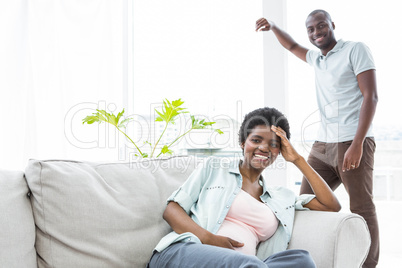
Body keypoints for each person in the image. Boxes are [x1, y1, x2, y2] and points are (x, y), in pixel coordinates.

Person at [256, 9, 379, 268]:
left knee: (362, 208)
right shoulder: (318, 59)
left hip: (352, 141)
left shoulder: (355, 50)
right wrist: (274, 25)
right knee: (305, 203)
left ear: (332, 25)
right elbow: (291, 46)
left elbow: (371, 97)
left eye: (321, 26)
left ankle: (367, 265)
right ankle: (312, 258)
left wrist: (357, 144)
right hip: (323, 144)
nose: (316, 32)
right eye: (310, 29)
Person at [147, 107, 341, 268]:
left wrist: (298, 159)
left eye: (273, 145)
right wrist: (210, 239)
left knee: (302, 261)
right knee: (248, 265)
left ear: (280, 151)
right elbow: (171, 210)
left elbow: (331, 205)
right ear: (243, 143)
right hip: (186, 252)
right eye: (256, 140)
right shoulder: (214, 169)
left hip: (249, 264)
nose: (264, 148)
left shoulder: (281, 198)